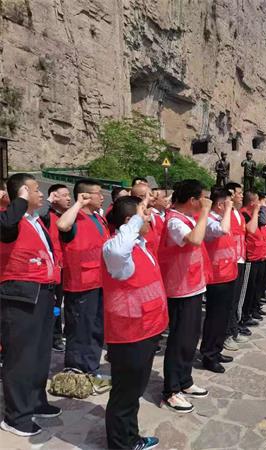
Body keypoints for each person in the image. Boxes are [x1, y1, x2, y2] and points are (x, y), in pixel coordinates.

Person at [102, 196, 167, 450]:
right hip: (129, 334)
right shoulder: (114, 249)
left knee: (134, 392)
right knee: (125, 394)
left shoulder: (139, 245)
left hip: (146, 330)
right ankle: (121, 444)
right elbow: (119, 250)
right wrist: (137, 219)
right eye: (144, 215)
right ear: (131, 221)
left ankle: (131, 438)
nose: (149, 219)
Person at [0, 173, 62, 437]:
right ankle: (16, 417)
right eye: (36, 190)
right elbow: (6, 226)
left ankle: (36, 400)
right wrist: (20, 199)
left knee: (39, 353)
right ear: (23, 192)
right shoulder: (9, 219)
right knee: (21, 356)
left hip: (43, 292)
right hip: (20, 295)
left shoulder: (36, 221)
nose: (41, 194)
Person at [157, 179, 210, 413]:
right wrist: (205, 212)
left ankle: (185, 380)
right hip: (179, 289)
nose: (204, 202)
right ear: (192, 200)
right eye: (202, 198)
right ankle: (171, 390)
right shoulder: (174, 221)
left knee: (190, 338)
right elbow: (195, 239)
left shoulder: (186, 218)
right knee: (179, 340)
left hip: (193, 285)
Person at [56, 179, 109, 380]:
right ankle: (77, 371)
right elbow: (62, 225)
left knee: (96, 328)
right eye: (98, 193)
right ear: (85, 195)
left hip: (100, 281)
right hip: (81, 284)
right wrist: (78, 204)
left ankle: (91, 368)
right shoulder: (74, 218)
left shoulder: (99, 218)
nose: (102, 196)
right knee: (80, 329)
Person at [199, 189, 238, 373]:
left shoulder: (222, 219)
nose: (231, 206)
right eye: (228, 203)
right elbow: (222, 230)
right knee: (215, 318)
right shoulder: (210, 220)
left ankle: (217, 349)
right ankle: (209, 355)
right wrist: (229, 209)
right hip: (216, 276)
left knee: (223, 316)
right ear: (221, 205)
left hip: (228, 273)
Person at [41, 184, 71, 352]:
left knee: (59, 305)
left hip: (66, 267)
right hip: (51, 269)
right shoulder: (46, 216)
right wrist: (49, 200)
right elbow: (40, 213)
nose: (69, 198)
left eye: (69, 195)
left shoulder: (67, 216)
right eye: (64, 195)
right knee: (53, 305)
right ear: (54, 196)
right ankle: (53, 336)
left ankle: (58, 334)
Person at [223, 182, 251, 350]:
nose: (241, 196)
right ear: (231, 194)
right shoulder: (226, 214)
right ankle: (226, 334)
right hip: (231, 261)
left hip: (240, 259)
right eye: (239, 193)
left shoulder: (238, 213)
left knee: (236, 299)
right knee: (230, 300)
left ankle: (233, 329)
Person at [239, 191, 266, 326]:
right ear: (251, 203)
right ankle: (243, 317)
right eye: (257, 201)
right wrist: (256, 211)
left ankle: (250, 312)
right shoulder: (244, 214)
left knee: (254, 287)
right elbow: (251, 229)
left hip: (258, 255)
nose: (259, 204)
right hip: (250, 256)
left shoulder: (250, 214)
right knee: (247, 290)